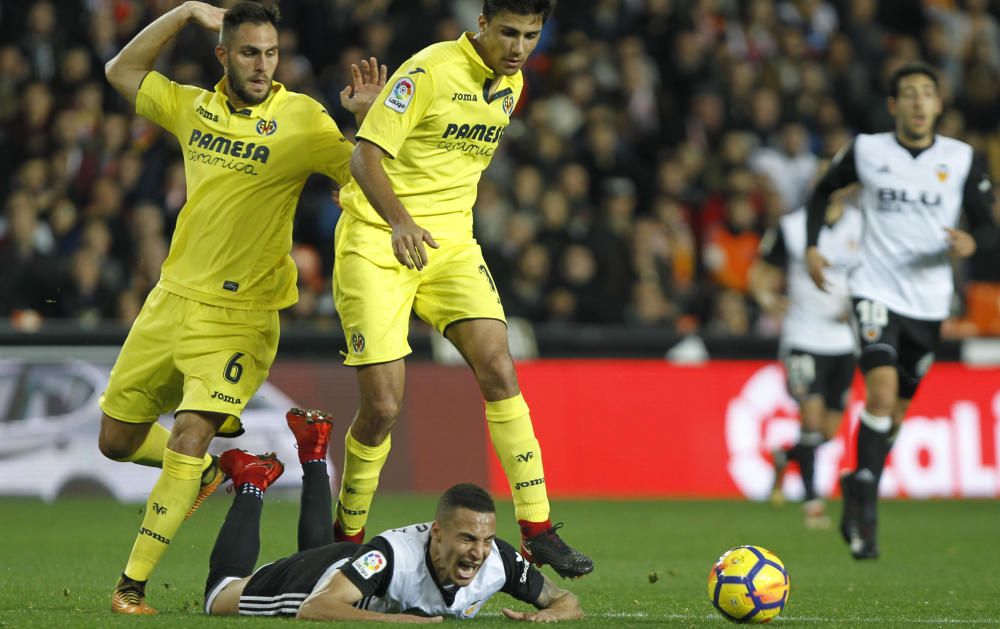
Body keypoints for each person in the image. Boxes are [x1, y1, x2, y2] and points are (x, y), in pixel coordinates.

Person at [97, 1, 385, 613]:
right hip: (170, 301)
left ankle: (131, 586)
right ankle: (212, 472)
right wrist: (181, 13)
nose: (263, 65)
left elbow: (363, 174)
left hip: (242, 316)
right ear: (224, 55)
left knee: (188, 432)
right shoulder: (193, 106)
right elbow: (120, 71)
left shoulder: (302, 119)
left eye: (271, 53)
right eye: (250, 53)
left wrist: (364, 124)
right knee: (115, 442)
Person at [330, 0, 593, 578]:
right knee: (383, 406)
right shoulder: (427, 70)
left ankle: (539, 529)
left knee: (500, 368)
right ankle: (345, 536)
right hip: (379, 240)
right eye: (507, 33)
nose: (519, 47)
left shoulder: (512, 85)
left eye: (530, 35)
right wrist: (399, 219)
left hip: (450, 246)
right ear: (480, 24)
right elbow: (365, 158)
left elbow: (431, 153)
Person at [804, 62, 997, 559]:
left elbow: (987, 225)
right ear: (893, 106)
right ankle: (867, 508)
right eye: (907, 94)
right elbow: (823, 189)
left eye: (926, 93)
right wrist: (811, 246)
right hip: (874, 289)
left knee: (897, 415)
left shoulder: (961, 159)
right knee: (882, 392)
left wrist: (972, 241)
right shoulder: (868, 150)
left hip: (929, 303)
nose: (917, 102)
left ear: (937, 105)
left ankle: (857, 485)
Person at [203, 409, 584, 622]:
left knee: (327, 553)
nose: (478, 552)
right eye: (467, 539)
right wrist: (401, 622)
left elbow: (564, 600)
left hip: (349, 566)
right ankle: (252, 480)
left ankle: (314, 451)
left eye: (484, 540)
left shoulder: (498, 560)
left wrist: (549, 616)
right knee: (219, 595)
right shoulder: (391, 557)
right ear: (437, 533)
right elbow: (315, 607)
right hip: (315, 581)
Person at [749, 185, 863, 529]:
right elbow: (759, 271)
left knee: (828, 431)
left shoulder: (862, 225)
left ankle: (788, 456)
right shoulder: (792, 226)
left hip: (845, 341)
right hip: (803, 337)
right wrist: (766, 298)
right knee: (810, 418)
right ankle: (813, 501)